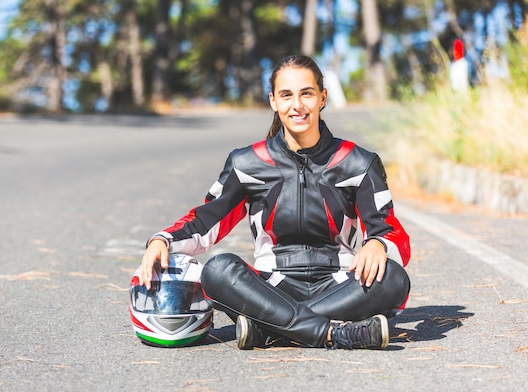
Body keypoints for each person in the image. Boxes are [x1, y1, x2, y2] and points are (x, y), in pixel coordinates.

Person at [139, 55, 411, 350]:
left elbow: (389, 230)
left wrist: (378, 244)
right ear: (273, 101)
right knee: (217, 270)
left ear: (323, 98)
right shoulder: (245, 162)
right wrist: (162, 240)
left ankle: (273, 329)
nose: (297, 105)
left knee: (394, 278)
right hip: (271, 288)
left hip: (340, 285)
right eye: (286, 95)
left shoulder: (359, 162)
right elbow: (207, 221)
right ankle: (336, 334)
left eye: (306, 93)